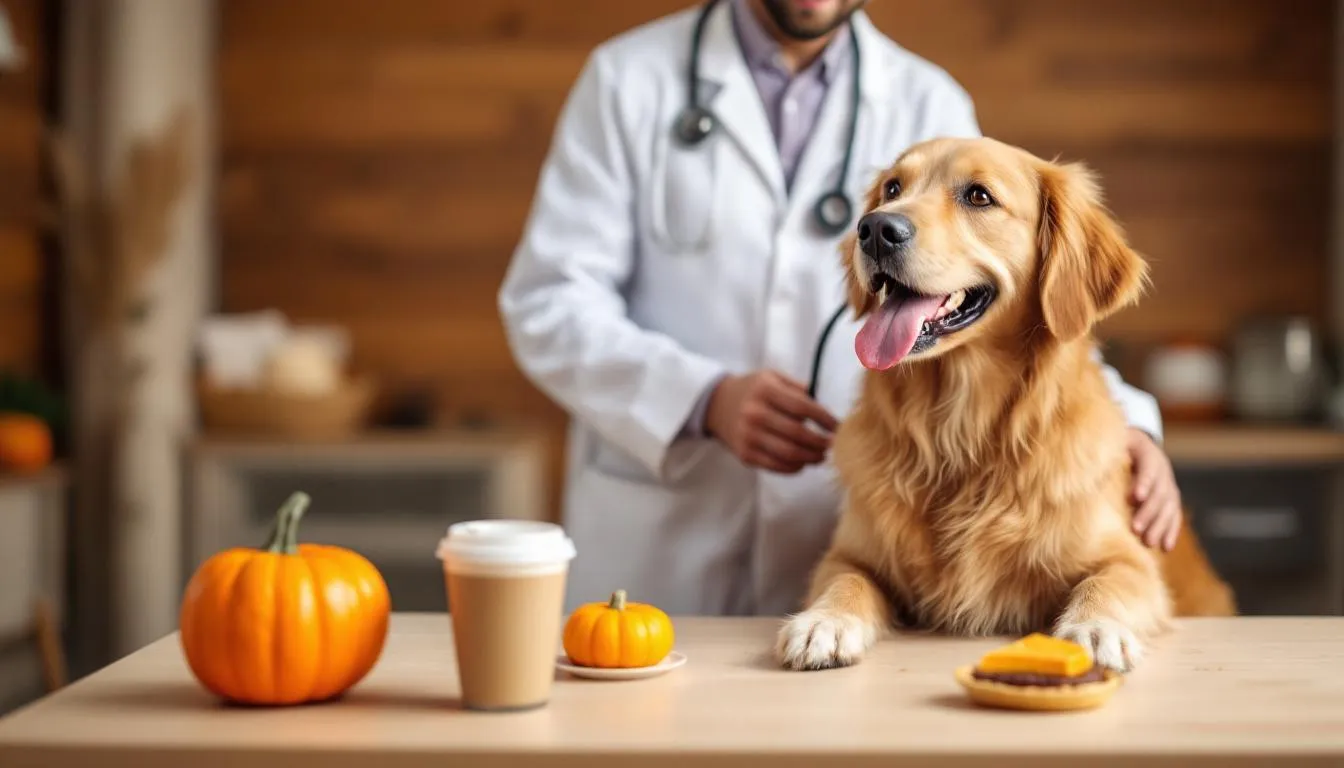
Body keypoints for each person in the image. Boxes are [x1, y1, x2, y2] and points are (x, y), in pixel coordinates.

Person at [498, 0, 1183, 616]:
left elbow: (1006, 288)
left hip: (851, 542)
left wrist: (1135, 429)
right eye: (890, 194)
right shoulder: (627, 79)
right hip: (663, 540)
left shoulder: (923, 97)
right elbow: (548, 300)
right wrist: (701, 399)